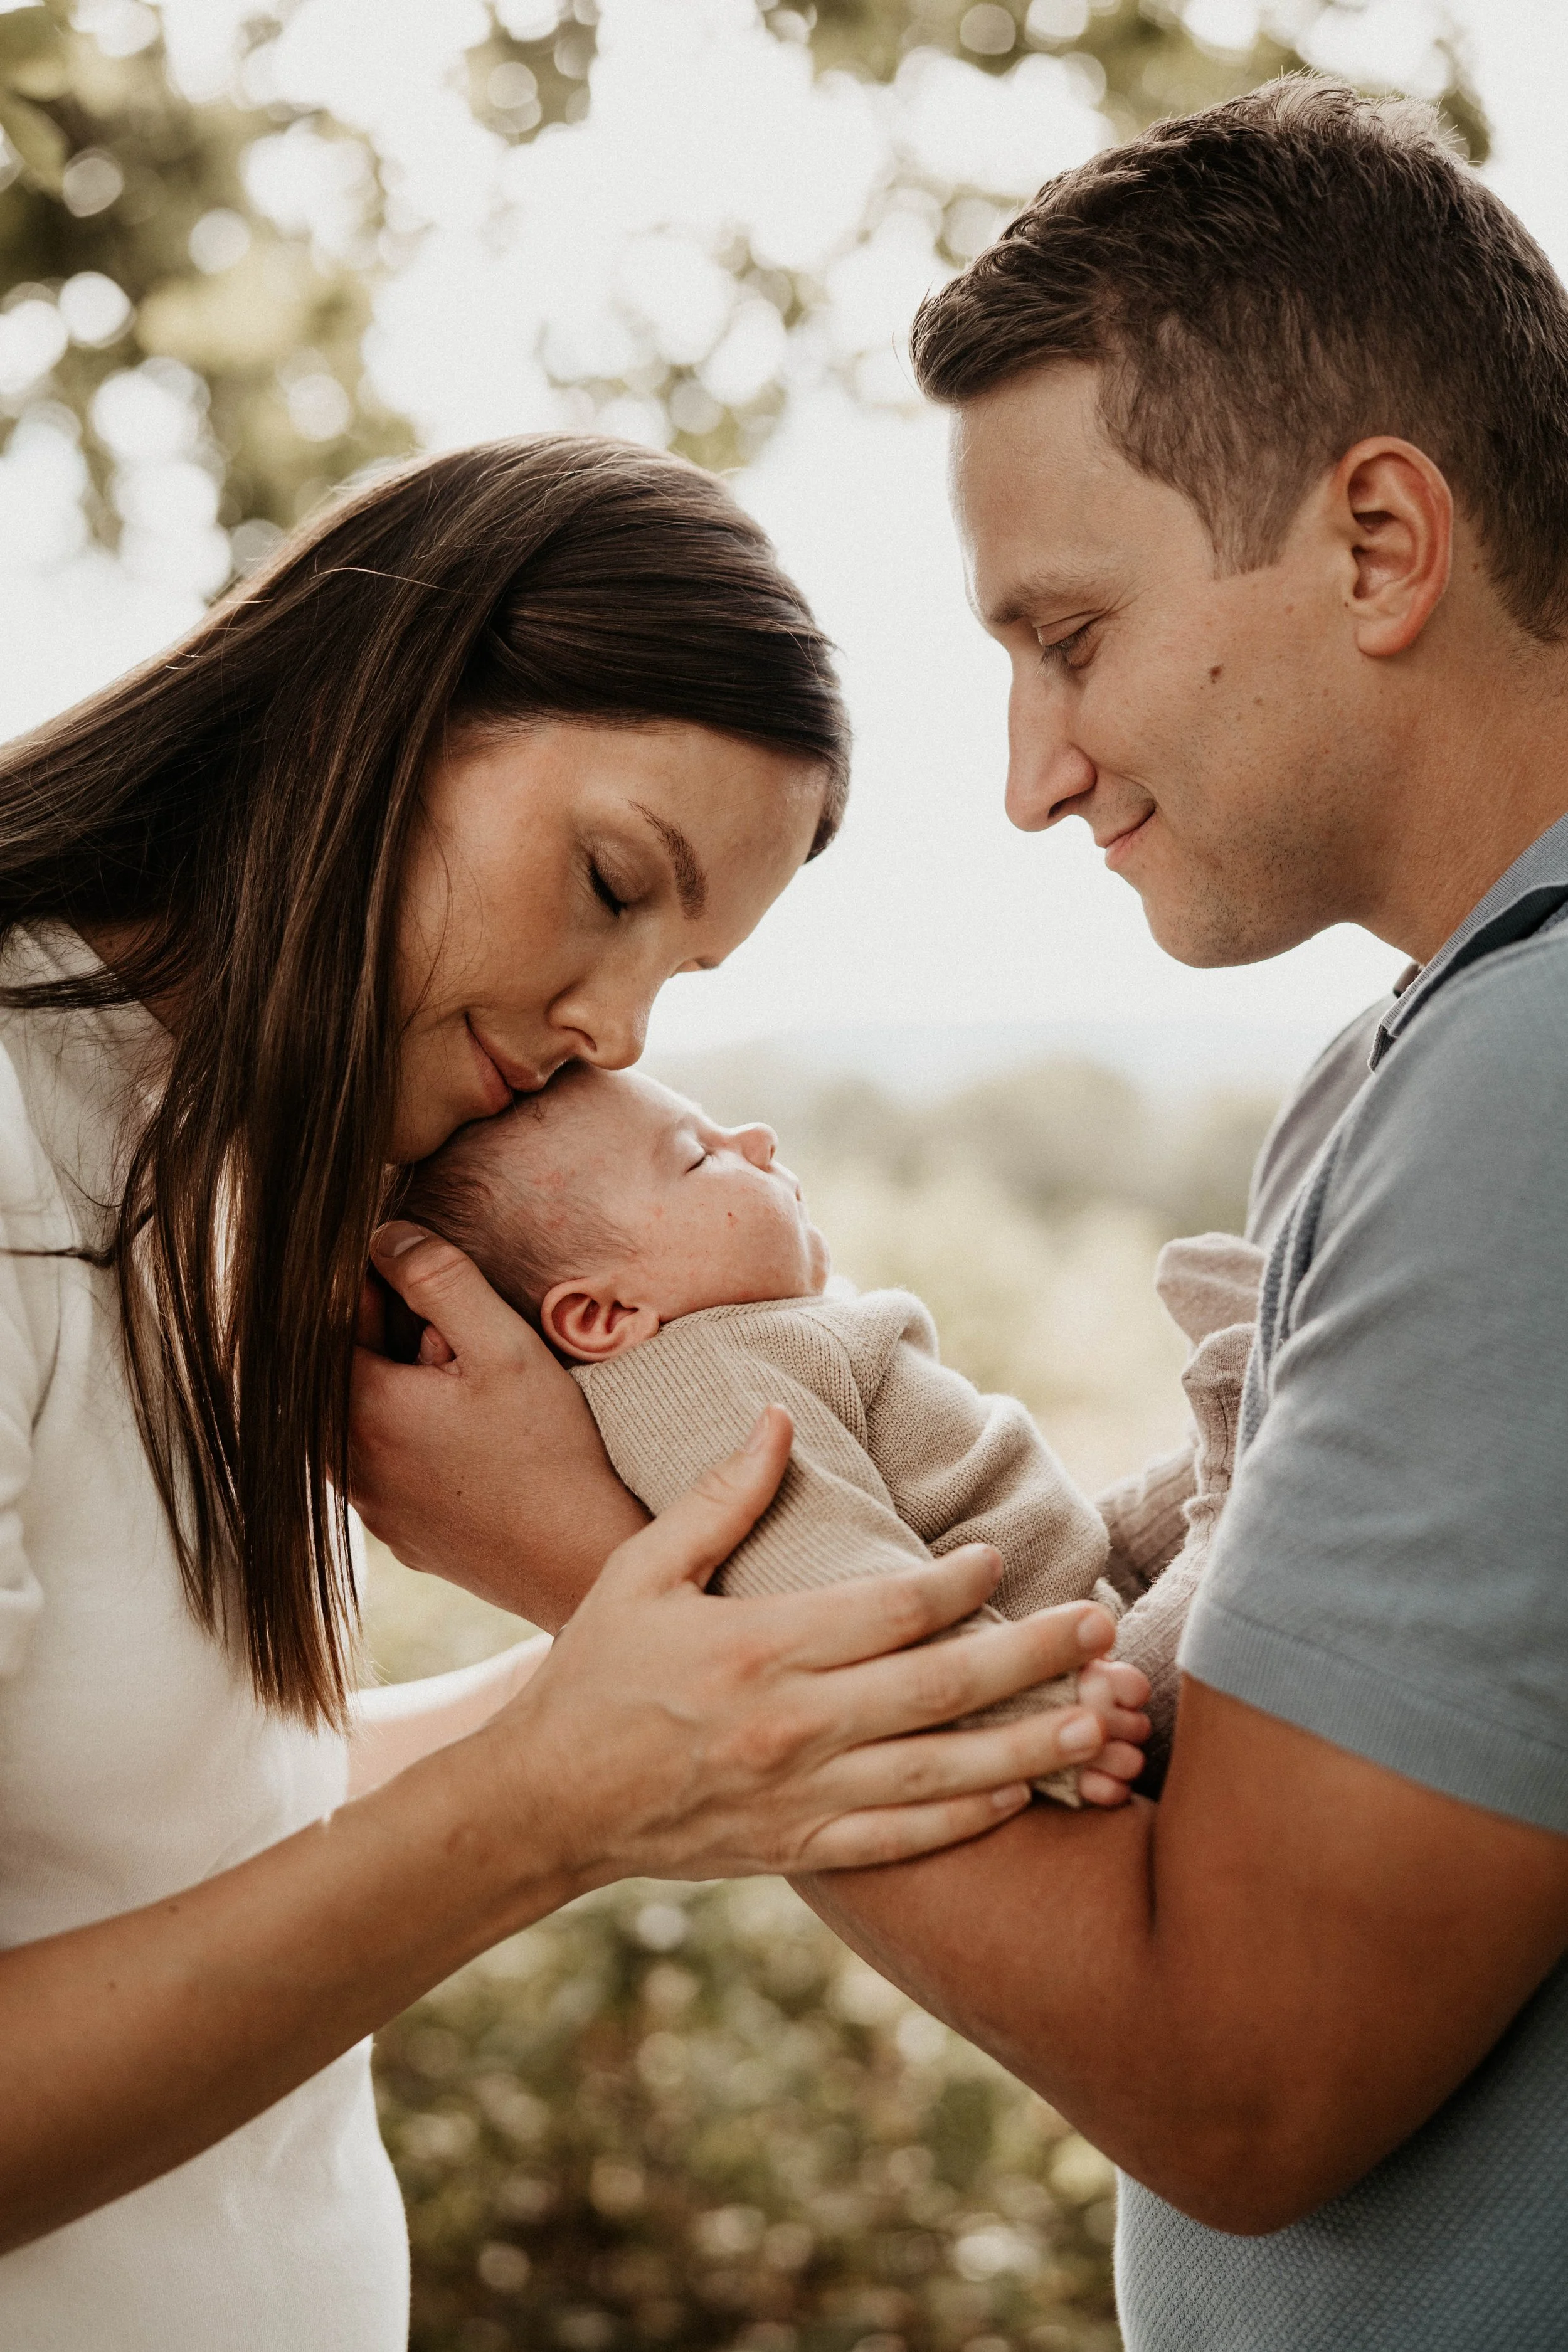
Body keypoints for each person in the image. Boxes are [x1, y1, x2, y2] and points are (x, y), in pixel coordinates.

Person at [357, 83, 1568, 2352]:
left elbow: (1241, 2073)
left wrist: (593, 1556)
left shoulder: (1537, 1090)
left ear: (1383, 543)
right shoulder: (1415, 1057)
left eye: (1072, 634)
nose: (1029, 771)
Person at [0, 437, 1121, 2349]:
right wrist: (545, 1806)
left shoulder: (233, 1166)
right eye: (610, 881)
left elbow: (167, 1829)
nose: (612, 1032)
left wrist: (680, 1649)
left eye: (674, 971)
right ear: (378, 709)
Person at [395, 1062, 1154, 1806]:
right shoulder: (696, 1380)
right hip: (1069, 1682)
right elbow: (821, 1585)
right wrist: (1030, 1718)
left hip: (1092, 1614)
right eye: (698, 1157)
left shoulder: (749, 1341)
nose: (757, 1137)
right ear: (604, 1316)